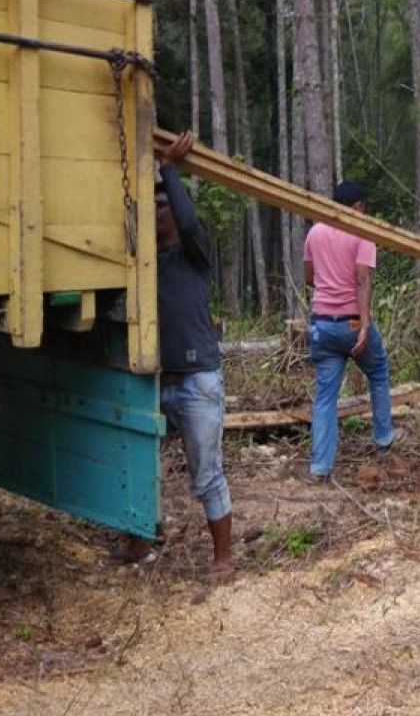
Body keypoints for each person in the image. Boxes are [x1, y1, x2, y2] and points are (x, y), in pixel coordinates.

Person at [113, 130, 233, 582]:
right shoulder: (142, 264)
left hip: (199, 378)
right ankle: (140, 541)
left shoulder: (194, 255)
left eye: (165, 203)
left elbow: (187, 216)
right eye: (154, 204)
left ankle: (223, 557)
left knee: (207, 472)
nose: (159, 208)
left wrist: (169, 169)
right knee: (140, 464)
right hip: (155, 378)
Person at [303, 181, 393, 482]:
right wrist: (365, 325)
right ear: (356, 207)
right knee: (378, 371)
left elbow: (309, 277)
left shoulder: (315, 232)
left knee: (325, 396)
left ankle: (320, 468)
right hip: (351, 323)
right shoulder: (361, 231)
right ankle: (383, 441)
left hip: (321, 325)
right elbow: (361, 280)